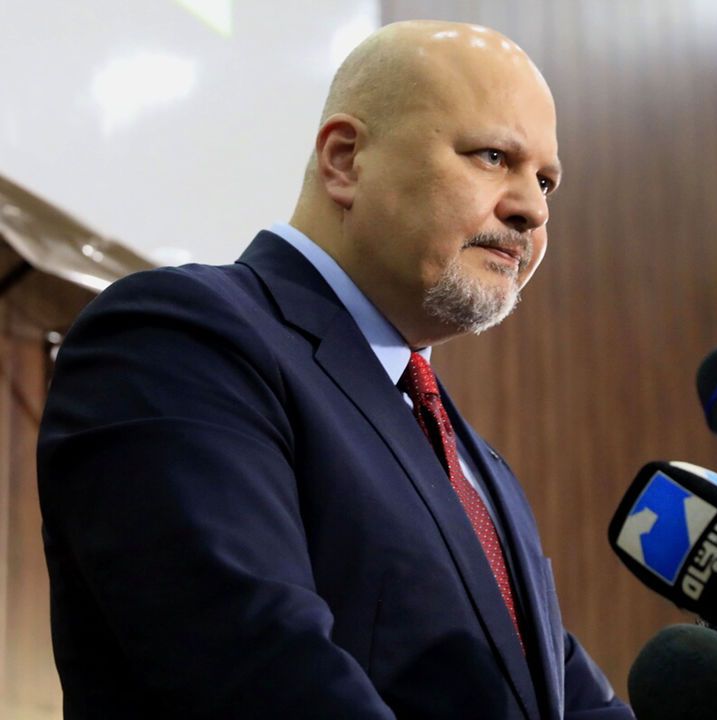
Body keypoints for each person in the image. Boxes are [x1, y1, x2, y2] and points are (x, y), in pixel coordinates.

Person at [37, 20, 631, 719]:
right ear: (346, 160)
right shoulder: (178, 338)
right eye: (493, 155)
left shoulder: (478, 467)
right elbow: (264, 678)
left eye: (546, 180)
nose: (532, 209)